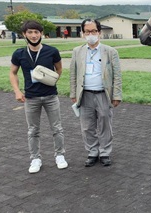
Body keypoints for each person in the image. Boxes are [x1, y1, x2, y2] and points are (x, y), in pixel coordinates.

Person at [9, 20, 67, 174]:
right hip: (31, 98)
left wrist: (52, 80)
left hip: (50, 96)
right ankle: (35, 158)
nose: (34, 35)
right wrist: (17, 90)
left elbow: (59, 69)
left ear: (41, 33)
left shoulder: (52, 51)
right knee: (33, 130)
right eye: (30, 32)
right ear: (24, 34)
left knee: (57, 128)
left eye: (36, 32)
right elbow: (12, 72)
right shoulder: (19, 54)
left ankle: (60, 155)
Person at [70, 19, 122, 167]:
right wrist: (73, 93)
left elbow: (117, 75)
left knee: (105, 123)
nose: (90, 34)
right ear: (82, 34)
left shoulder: (110, 51)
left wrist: (116, 95)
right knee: (87, 126)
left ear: (99, 32)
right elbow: (73, 74)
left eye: (93, 31)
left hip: (103, 94)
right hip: (85, 93)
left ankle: (105, 152)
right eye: (87, 32)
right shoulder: (77, 51)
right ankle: (92, 151)